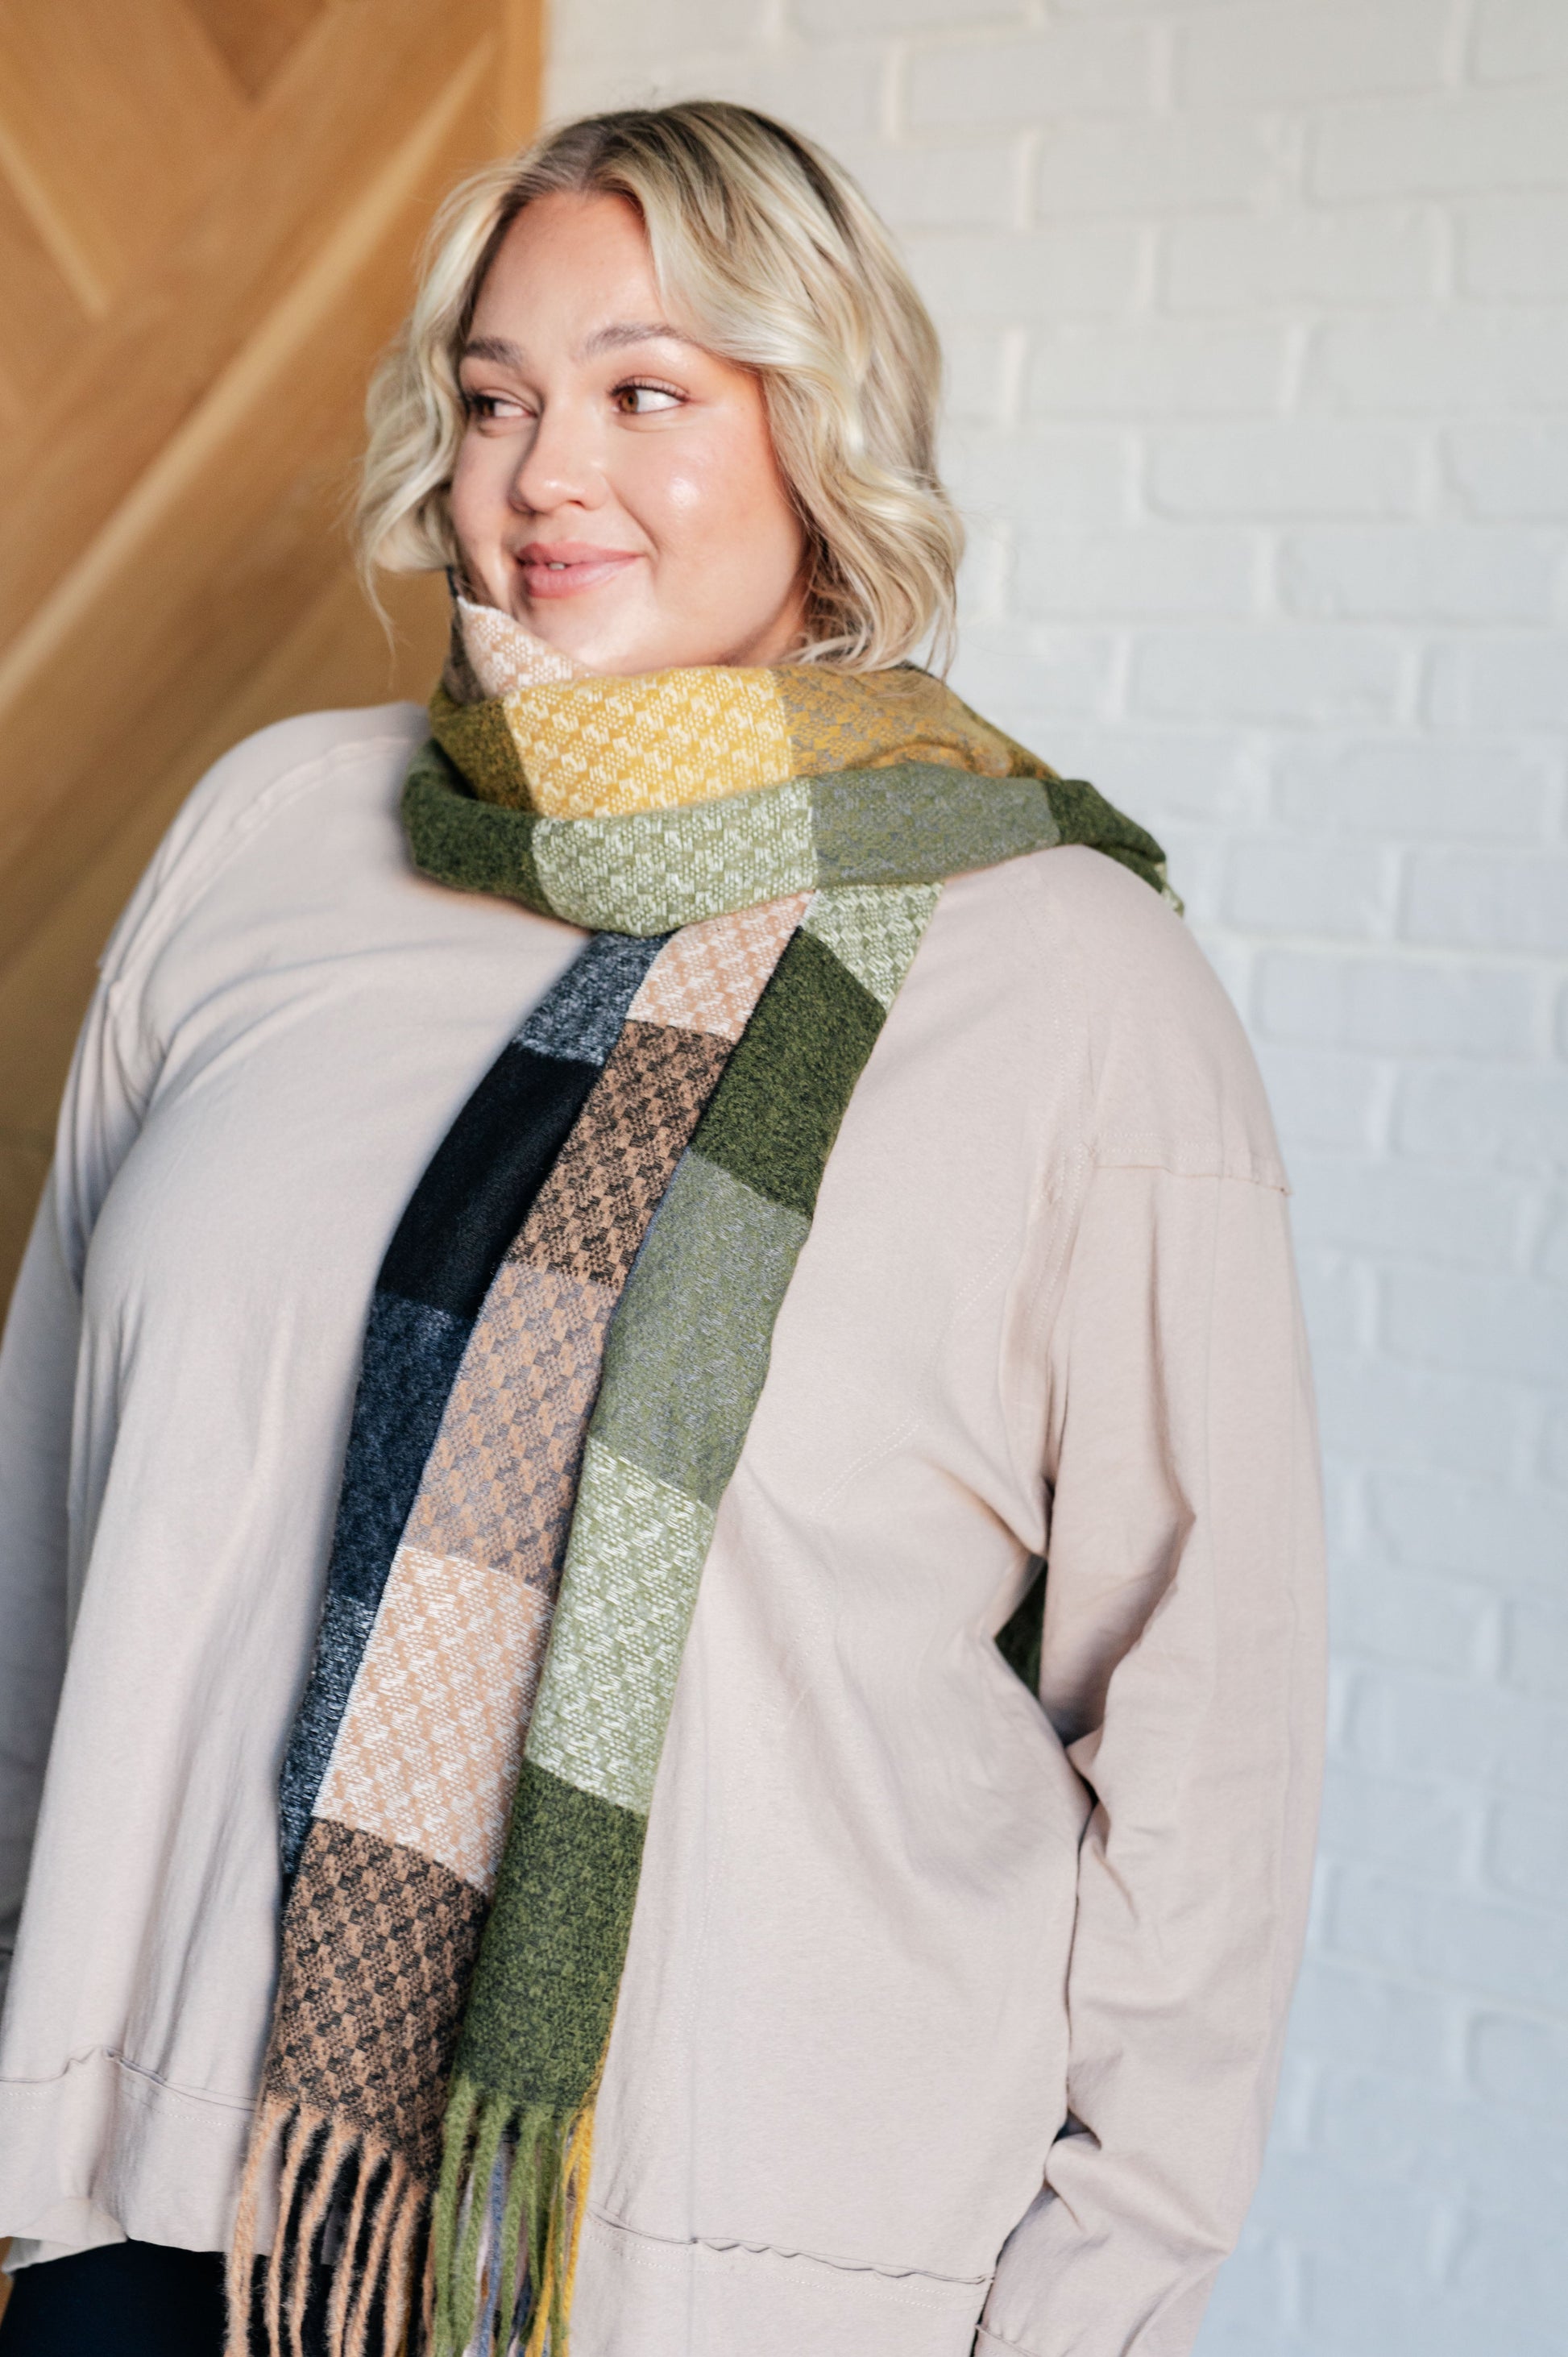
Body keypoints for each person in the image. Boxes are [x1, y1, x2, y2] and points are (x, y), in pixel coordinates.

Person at [0, 102, 1325, 2357]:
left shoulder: (1073, 983)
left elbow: (1209, 1732)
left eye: (646, 391)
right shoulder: (270, 840)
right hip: (162, 2188)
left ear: (819, 433)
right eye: (494, 397)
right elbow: (47, 1516)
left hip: (730, 2258)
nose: (545, 476)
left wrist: (1100, 2295)